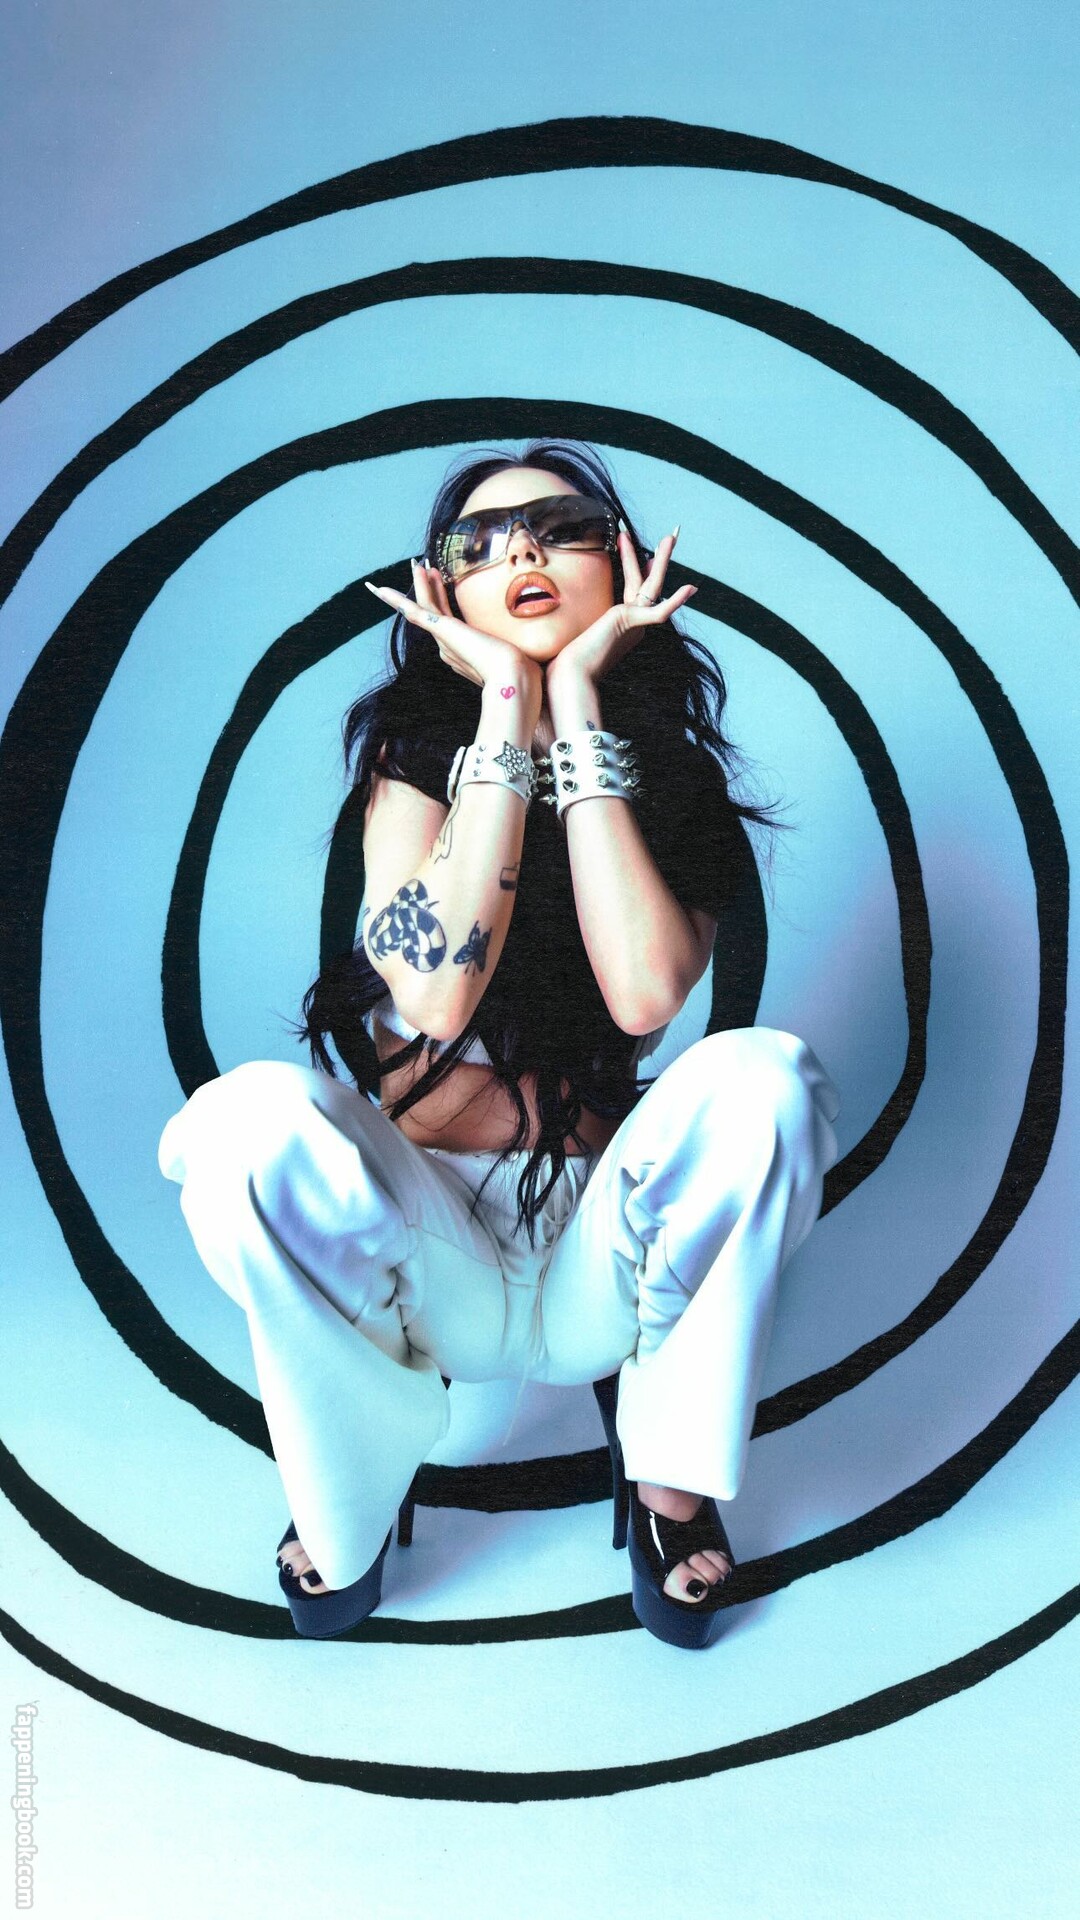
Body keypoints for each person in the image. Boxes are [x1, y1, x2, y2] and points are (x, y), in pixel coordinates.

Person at [158, 439, 840, 1651]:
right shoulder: (412, 768)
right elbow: (433, 995)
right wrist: (508, 708)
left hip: (606, 1264)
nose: (522, 549)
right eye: (480, 541)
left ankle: (669, 1480)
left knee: (768, 1081)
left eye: (561, 526)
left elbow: (643, 996)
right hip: (425, 1265)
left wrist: (576, 702)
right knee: (248, 1122)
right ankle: (350, 1483)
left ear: (620, 563)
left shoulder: (675, 787)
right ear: (445, 595)